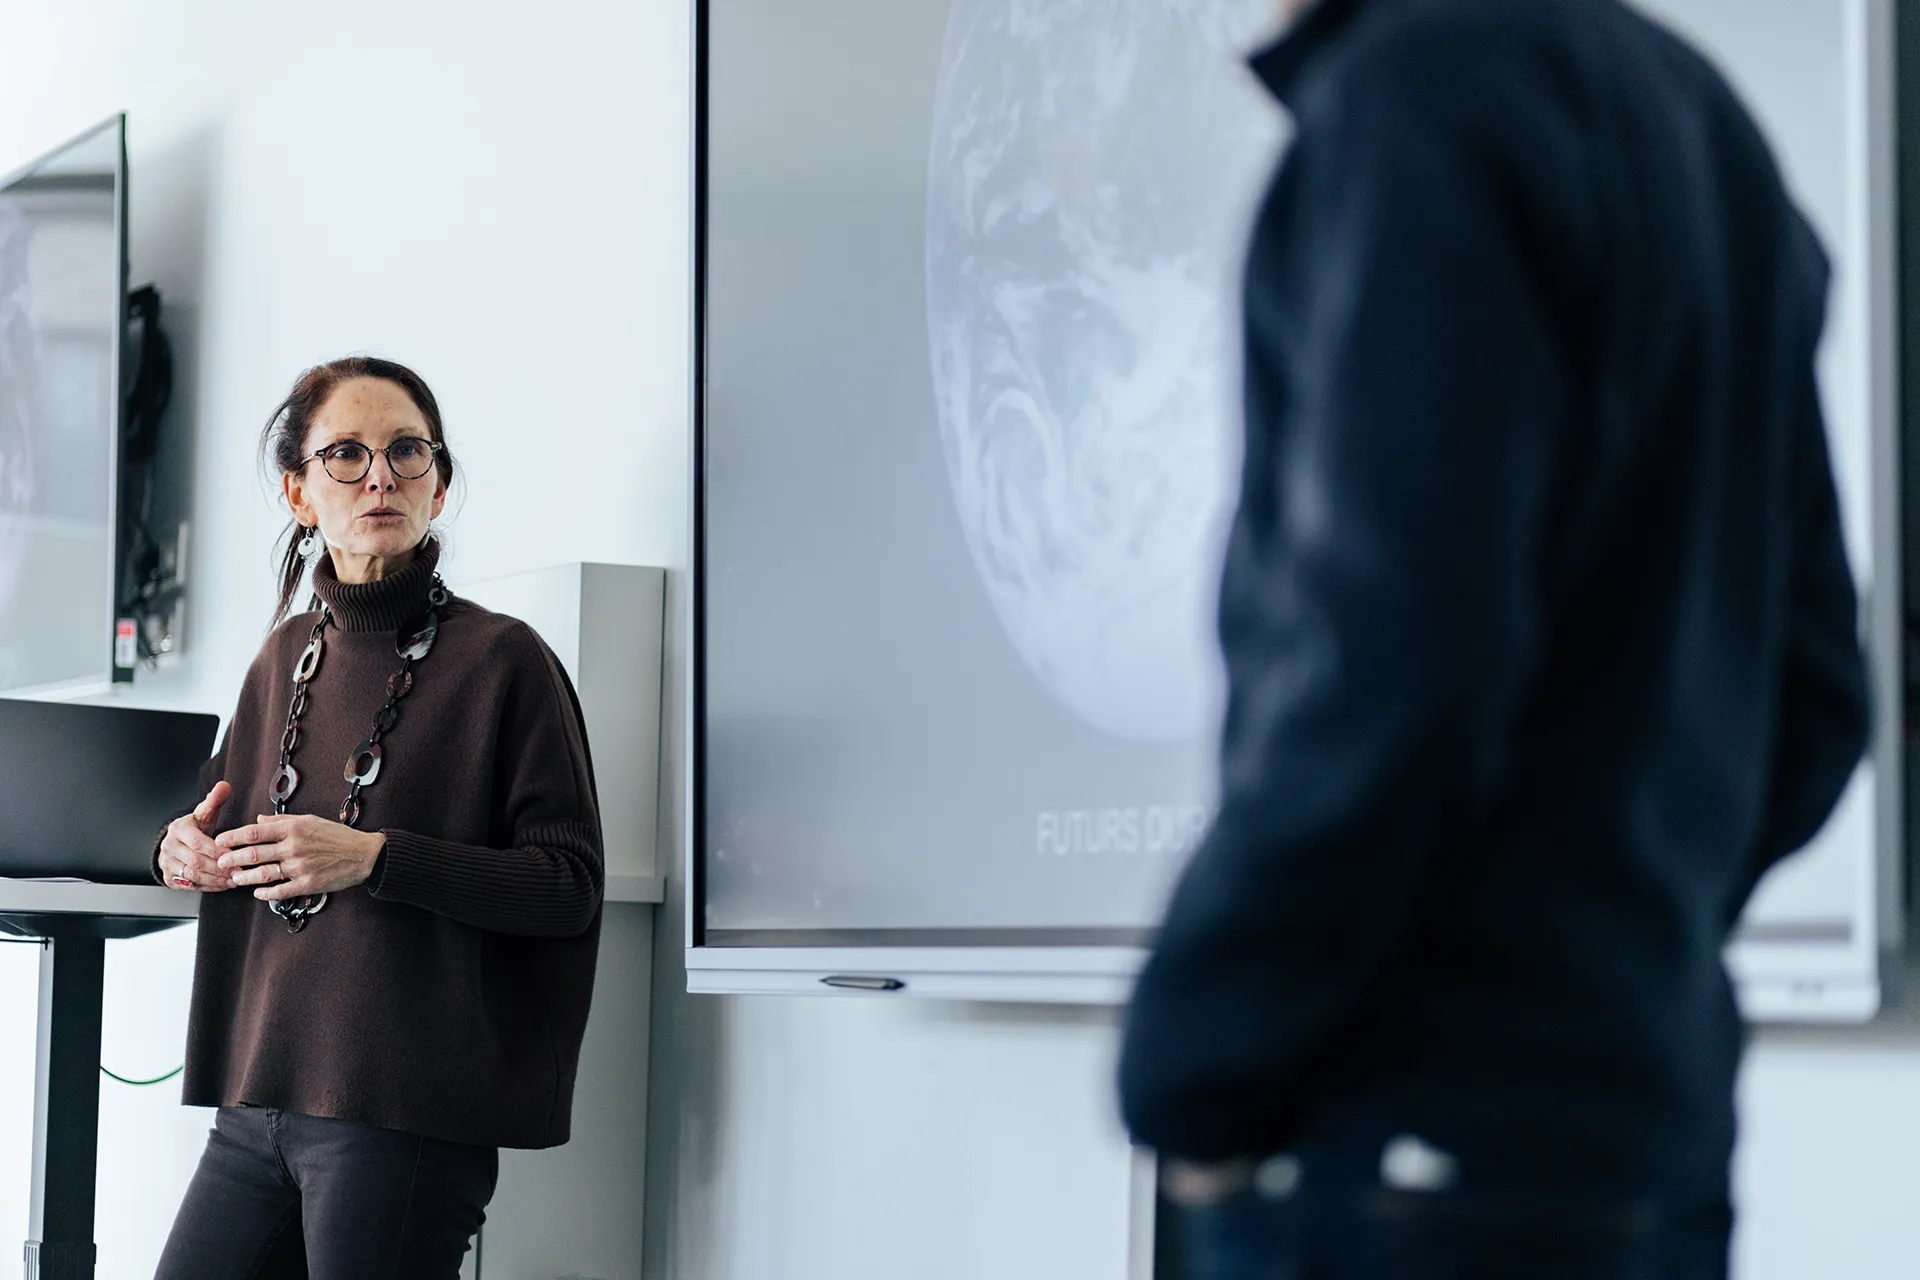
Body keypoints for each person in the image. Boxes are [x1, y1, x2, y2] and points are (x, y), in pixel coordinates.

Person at [1118, 0, 1871, 1276]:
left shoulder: (1412, 106)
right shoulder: (1702, 118)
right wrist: (1611, 929)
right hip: (1651, 1138)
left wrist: (1197, 1065)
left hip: (1400, 1156)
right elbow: (1816, 698)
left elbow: (1392, 665)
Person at [151, 356, 605, 1278]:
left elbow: (567, 886)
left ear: (438, 481)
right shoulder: (281, 656)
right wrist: (176, 846)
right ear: (299, 492)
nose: (380, 478)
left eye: (406, 451)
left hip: (405, 1114)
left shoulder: (505, 661)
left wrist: (374, 857)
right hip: (257, 1099)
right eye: (347, 454)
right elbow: (208, 814)